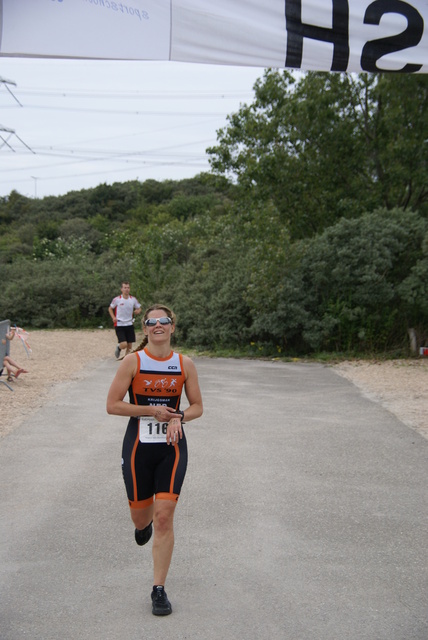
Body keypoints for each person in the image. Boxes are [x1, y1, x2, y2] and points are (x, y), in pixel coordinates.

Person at [106, 304, 203, 616]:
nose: (158, 325)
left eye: (164, 321)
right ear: (145, 329)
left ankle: (158, 589)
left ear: (173, 327)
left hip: (172, 447)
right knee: (142, 518)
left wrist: (180, 417)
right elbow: (112, 405)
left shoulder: (184, 364)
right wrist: (151, 411)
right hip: (138, 446)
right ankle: (141, 523)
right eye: (151, 322)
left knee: (164, 516)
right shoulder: (133, 361)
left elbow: (198, 405)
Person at [109, 281, 142, 359]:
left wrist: (138, 311)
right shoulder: (117, 299)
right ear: (121, 289)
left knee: (129, 346)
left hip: (129, 323)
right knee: (124, 344)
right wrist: (113, 317)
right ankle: (119, 347)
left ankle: (126, 360)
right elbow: (110, 308)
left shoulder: (133, 299)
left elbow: (139, 307)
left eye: (128, 288)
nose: (127, 289)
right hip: (120, 324)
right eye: (125, 288)